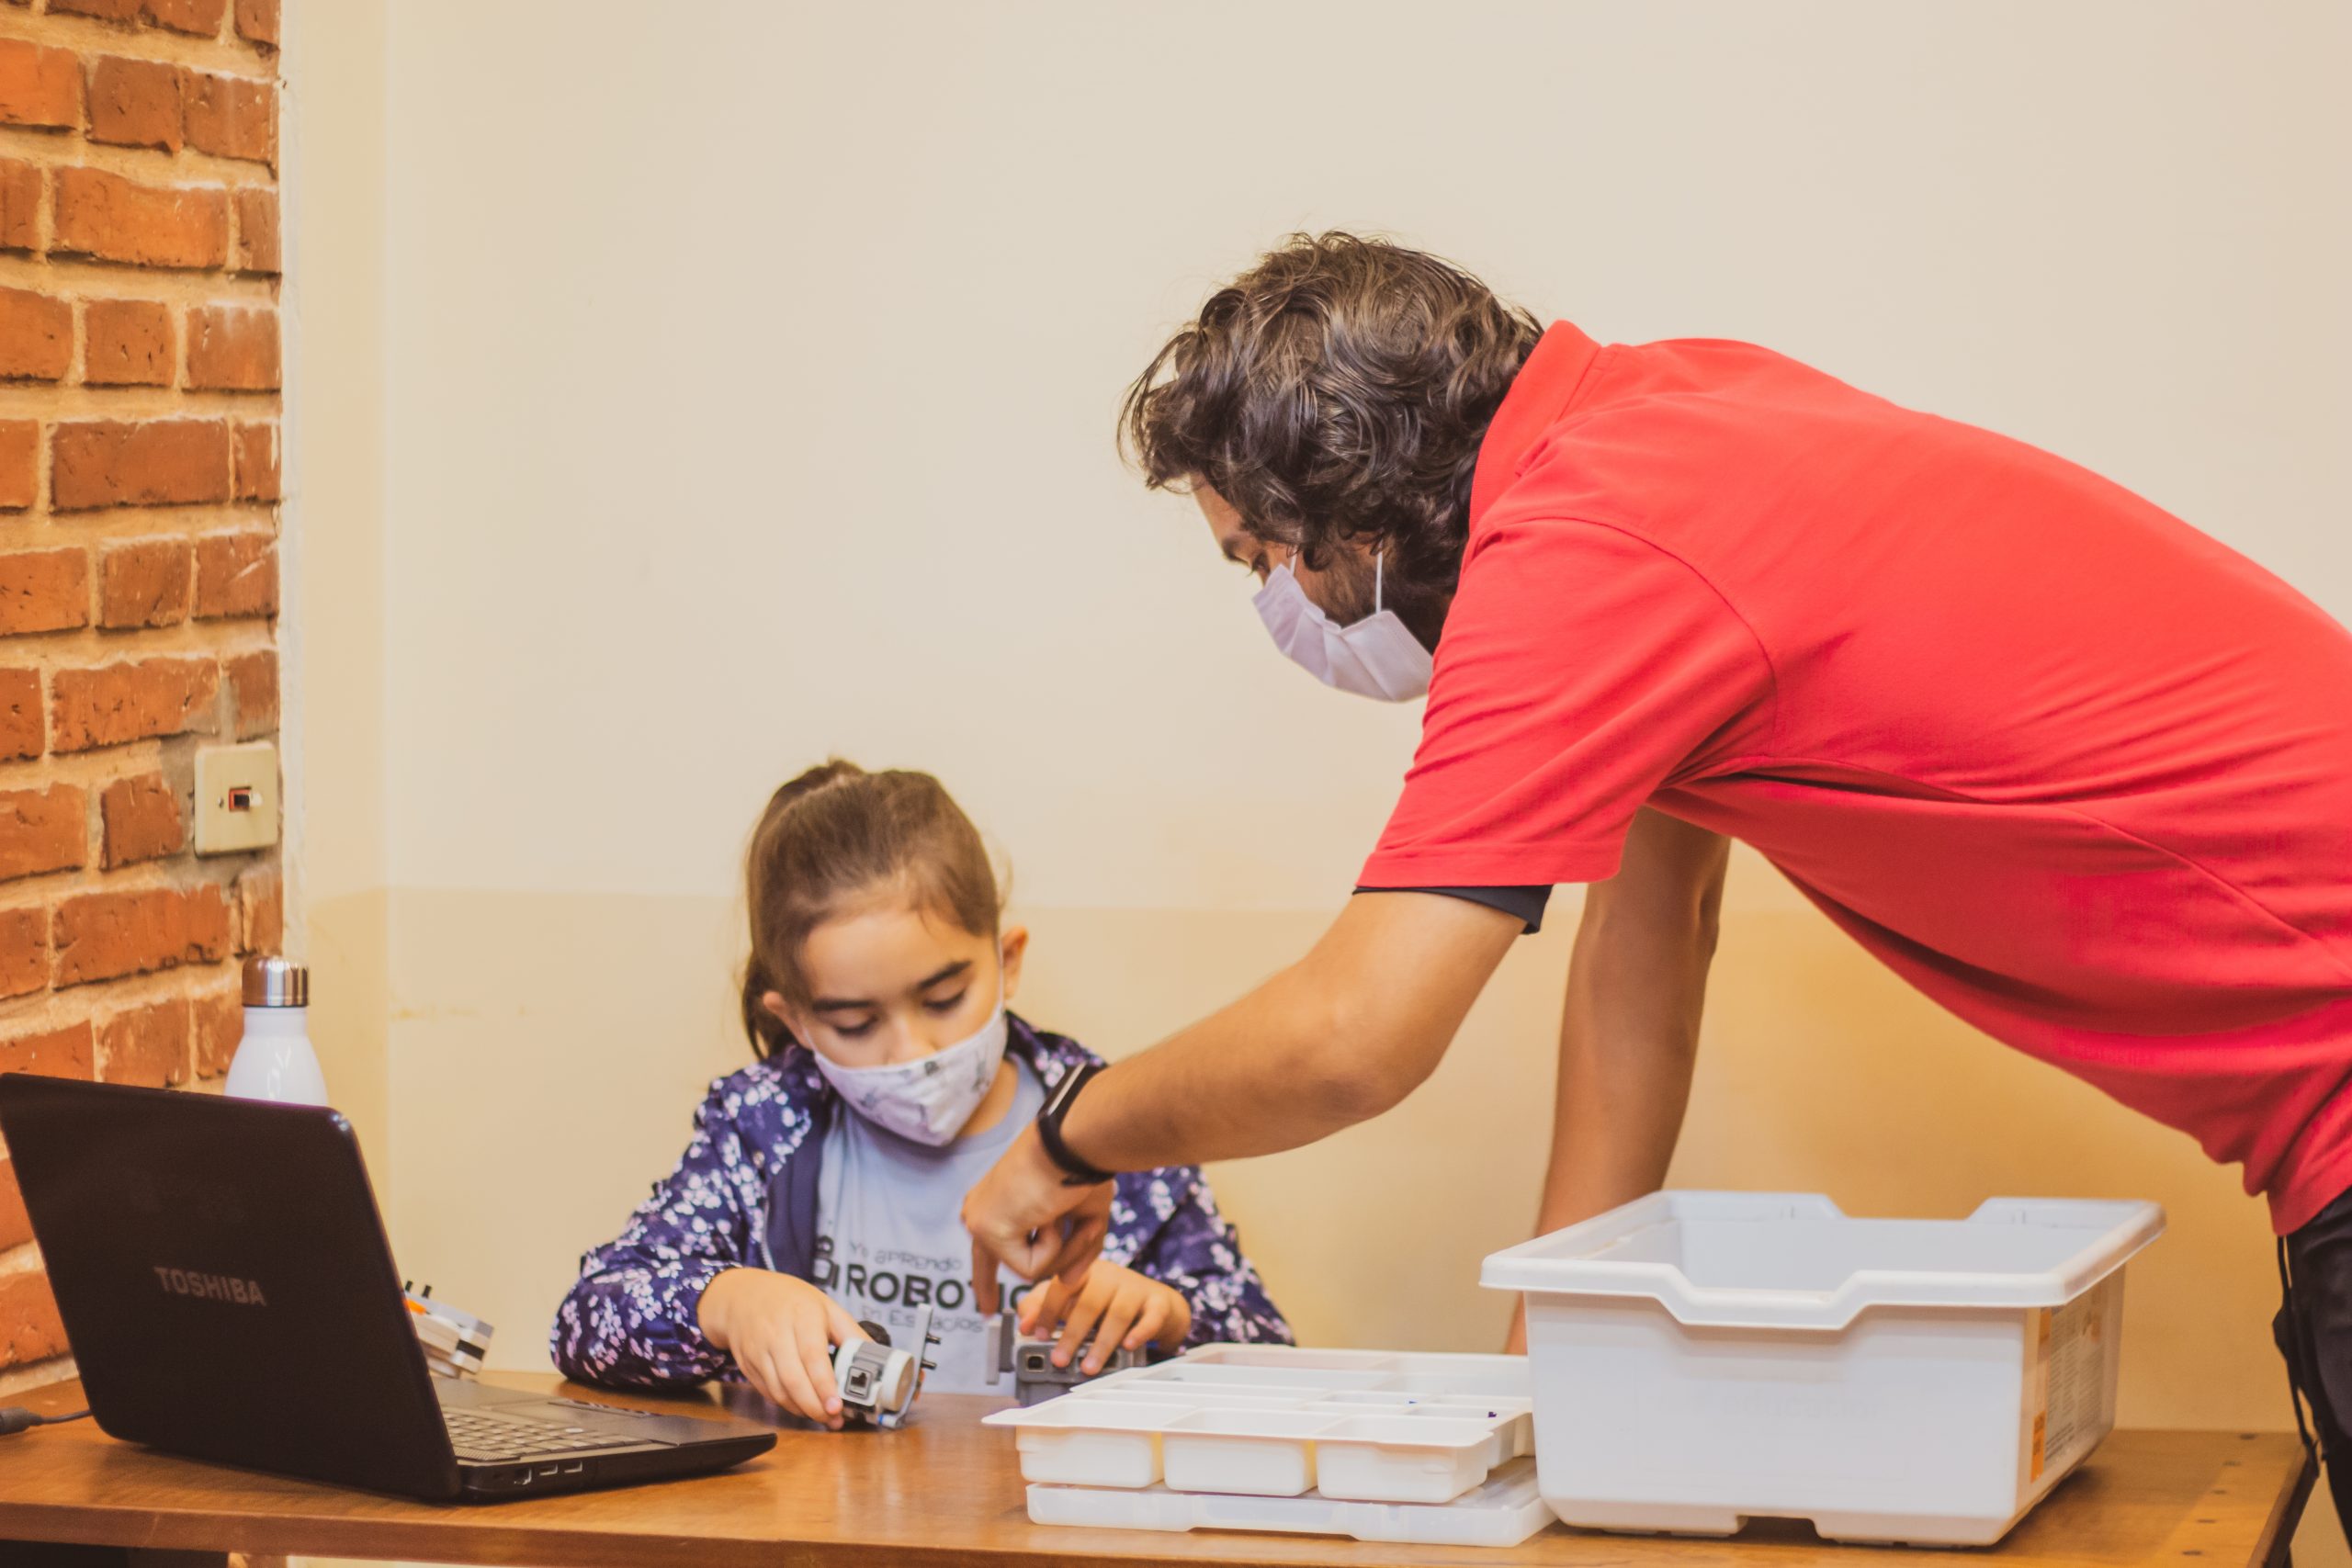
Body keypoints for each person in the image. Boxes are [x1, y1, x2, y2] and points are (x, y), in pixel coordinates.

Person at [959, 233, 2352, 1518]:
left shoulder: (1581, 551)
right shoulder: (1665, 424)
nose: (1274, 605)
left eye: (1263, 557)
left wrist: (1071, 1135)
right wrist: (1543, 1383)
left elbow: (1356, 1033)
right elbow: (1656, 931)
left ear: (1355, 511)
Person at [553, 761, 1288, 1427]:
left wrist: (1166, 1318)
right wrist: (724, 1302)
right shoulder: (761, 1127)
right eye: (854, 1021)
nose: (914, 1054)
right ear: (797, 1020)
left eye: (944, 999)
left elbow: (1268, 1347)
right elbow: (586, 1320)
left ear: (1005, 960)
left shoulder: (1107, 1125)